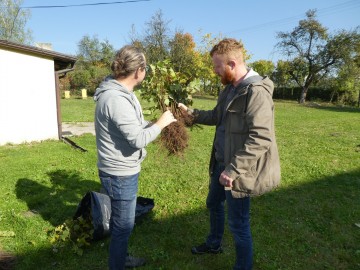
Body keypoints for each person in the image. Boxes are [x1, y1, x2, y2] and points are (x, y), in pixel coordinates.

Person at [178, 38, 280, 270]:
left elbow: (261, 137)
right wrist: (189, 114)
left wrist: (233, 171)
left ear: (232, 64)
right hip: (221, 164)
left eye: (217, 66)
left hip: (238, 172)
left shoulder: (256, 93)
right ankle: (214, 243)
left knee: (239, 225)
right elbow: (216, 116)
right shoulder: (229, 88)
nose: (214, 71)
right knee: (213, 204)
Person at [94, 45, 176, 270]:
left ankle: (121, 257)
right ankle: (118, 264)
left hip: (119, 169)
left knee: (122, 223)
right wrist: (161, 124)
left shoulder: (122, 94)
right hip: (120, 173)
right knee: (123, 226)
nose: (146, 71)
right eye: (145, 67)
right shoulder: (116, 99)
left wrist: (153, 126)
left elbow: (134, 128)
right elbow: (138, 139)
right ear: (138, 71)